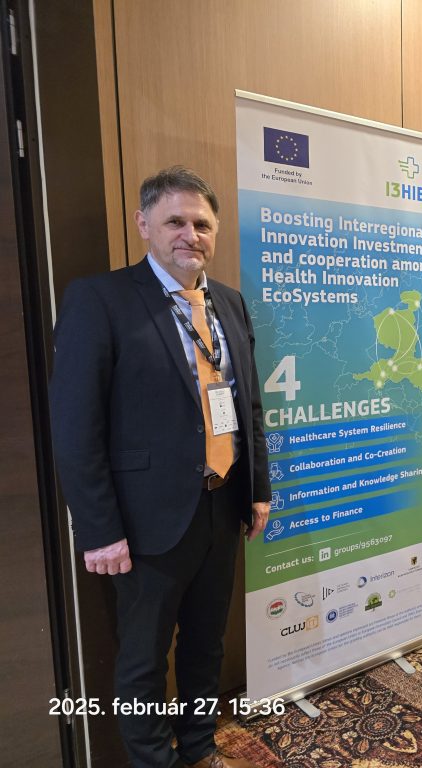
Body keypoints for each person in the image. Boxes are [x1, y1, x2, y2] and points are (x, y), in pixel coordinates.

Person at [49, 167, 270, 768]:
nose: (189, 235)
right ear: (144, 225)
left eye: (202, 224)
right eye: (175, 221)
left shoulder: (229, 302)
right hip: (145, 522)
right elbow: (75, 427)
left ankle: (198, 746)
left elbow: (248, 404)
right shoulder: (101, 300)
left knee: (206, 643)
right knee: (144, 659)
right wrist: (99, 529)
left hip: (221, 505)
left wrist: (258, 488)